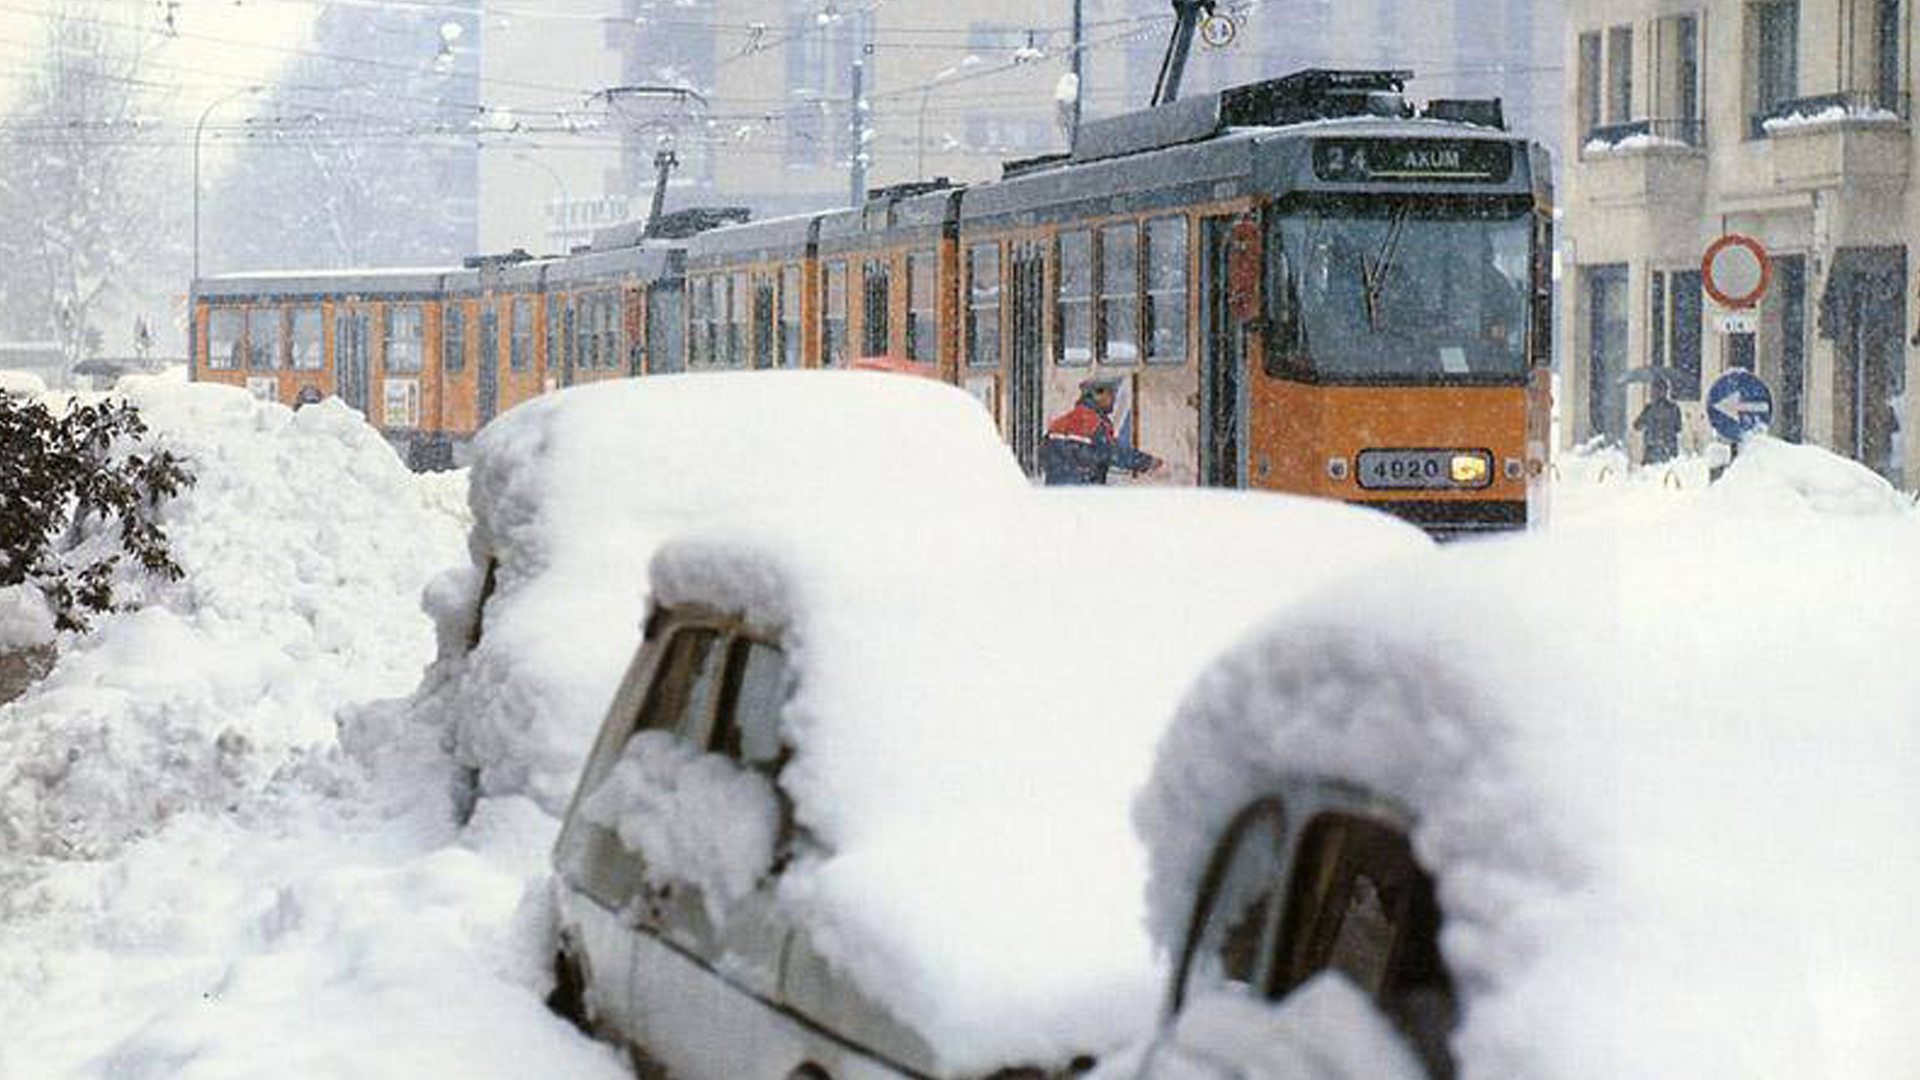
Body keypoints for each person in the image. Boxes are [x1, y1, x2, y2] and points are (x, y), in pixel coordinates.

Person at [1041, 376, 1163, 485]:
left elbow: (1042, 455)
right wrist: (1148, 462)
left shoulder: (1057, 423)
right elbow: (1114, 453)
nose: (1113, 399)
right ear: (1097, 395)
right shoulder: (1094, 424)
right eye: (1110, 394)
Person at [1633, 374, 1682, 465]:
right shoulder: (1674, 408)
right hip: (1669, 449)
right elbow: (1678, 428)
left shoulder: (1649, 409)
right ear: (1666, 391)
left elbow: (1636, 426)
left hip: (1652, 450)